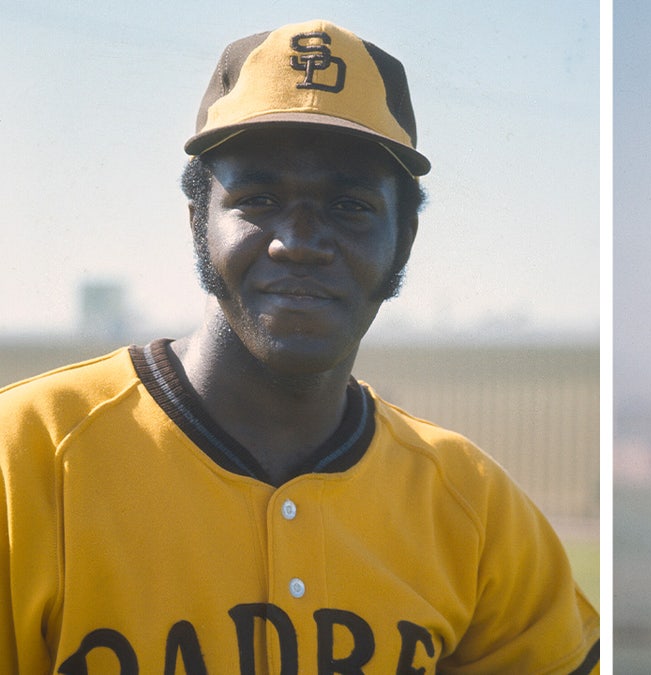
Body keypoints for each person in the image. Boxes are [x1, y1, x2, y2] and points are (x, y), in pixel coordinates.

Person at [0, 20, 599, 673]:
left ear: (405, 239)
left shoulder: (472, 500)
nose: (300, 240)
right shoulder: (26, 454)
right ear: (198, 222)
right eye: (258, 198)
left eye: (351, 206)